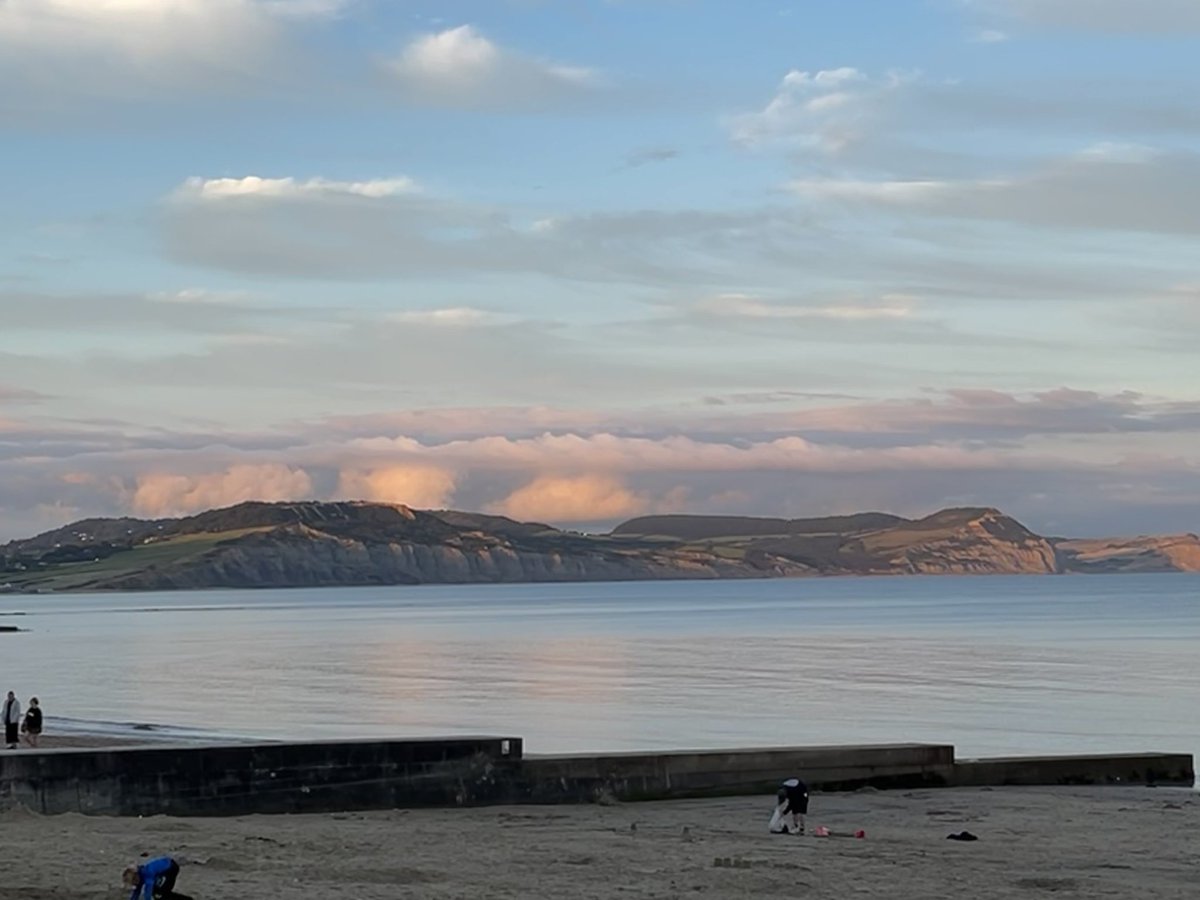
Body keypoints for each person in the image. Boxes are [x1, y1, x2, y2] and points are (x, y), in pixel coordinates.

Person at [122, 857, 192, 900]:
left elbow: (148, 892)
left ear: (136, 878)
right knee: (158, 893)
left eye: (133, 883)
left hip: (171, 868)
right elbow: (136, 894)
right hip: (164, 869)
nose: (134, 885)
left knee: (160, 894)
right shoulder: (139, 878)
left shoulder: (147, 873)